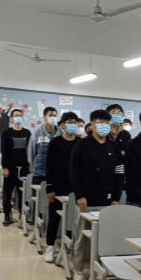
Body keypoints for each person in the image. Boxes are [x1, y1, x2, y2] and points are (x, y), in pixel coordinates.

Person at [70, 109, 124, 280]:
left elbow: (119, 173)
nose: (104, 126)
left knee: (105, 238)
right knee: (81, 238)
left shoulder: (114, 147)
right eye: (100, 122)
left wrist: (116, 198)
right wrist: (80, 195)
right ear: (92, 124)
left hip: (107, 201)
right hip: (86, 201)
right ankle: (78, 270)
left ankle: (102, 271)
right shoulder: (82, 145)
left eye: (107, 123)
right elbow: (74, 172)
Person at [44, 112, 80, 263]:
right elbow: (49, 165)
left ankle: (70, 247)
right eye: (70, 122)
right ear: (63, 125)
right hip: (58, 186)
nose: (73, 125)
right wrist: (49, 187)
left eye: (75, 122)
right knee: (54, 218)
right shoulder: (55, 142)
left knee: (73, 219)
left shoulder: (80, 142)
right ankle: (50, 246)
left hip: (75, 187)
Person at [0, 108, 32, 226]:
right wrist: (5, 167)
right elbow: (4, 151)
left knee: (23, 193)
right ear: (12, 118)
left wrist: (29, 165)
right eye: (16, 115)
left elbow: (30, 150)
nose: (18, 117)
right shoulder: (6, 133)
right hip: (10, 167)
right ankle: (7, 215)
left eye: (20, 115)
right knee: (7, 193)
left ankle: (23, 215)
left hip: (24, 167)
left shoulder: (27, 133)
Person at [27, 106, 61, 185]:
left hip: (56, 172)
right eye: (50, 115)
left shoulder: (60, 133)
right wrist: (31, 166)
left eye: (55, 116)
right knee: (38, 192)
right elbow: (31, 151)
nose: (53, 118)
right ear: (45, 117)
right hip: (39, 172)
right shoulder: (37, 133)